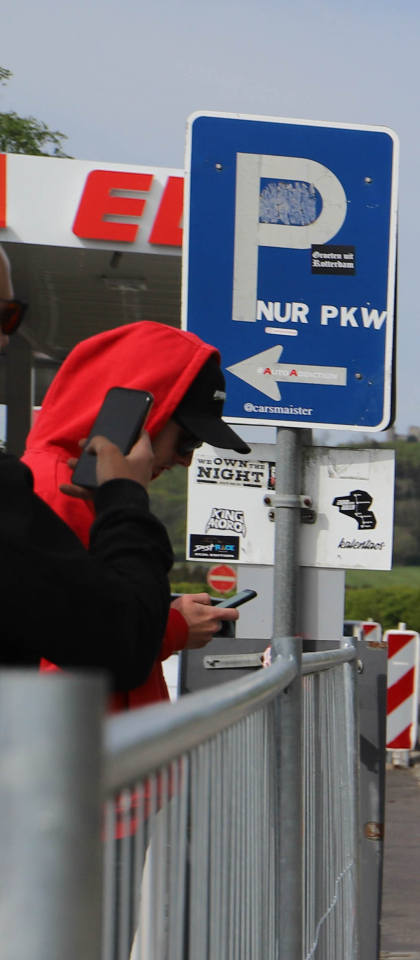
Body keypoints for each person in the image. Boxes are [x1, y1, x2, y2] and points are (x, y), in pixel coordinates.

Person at [24, 320, 253, 707]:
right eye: (188, 439)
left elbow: (87, 620)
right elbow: (88, 651)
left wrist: (156, 618)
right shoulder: (53, 492)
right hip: (82, 756)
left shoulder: (82, 491)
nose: (186, 460)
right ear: (142, 420)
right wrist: (170, 629)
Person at [0, 248, 190, 689]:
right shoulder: (43, 489)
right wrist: (126, 502)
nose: (7, 339)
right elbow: (116, 643)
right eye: (4, 317)